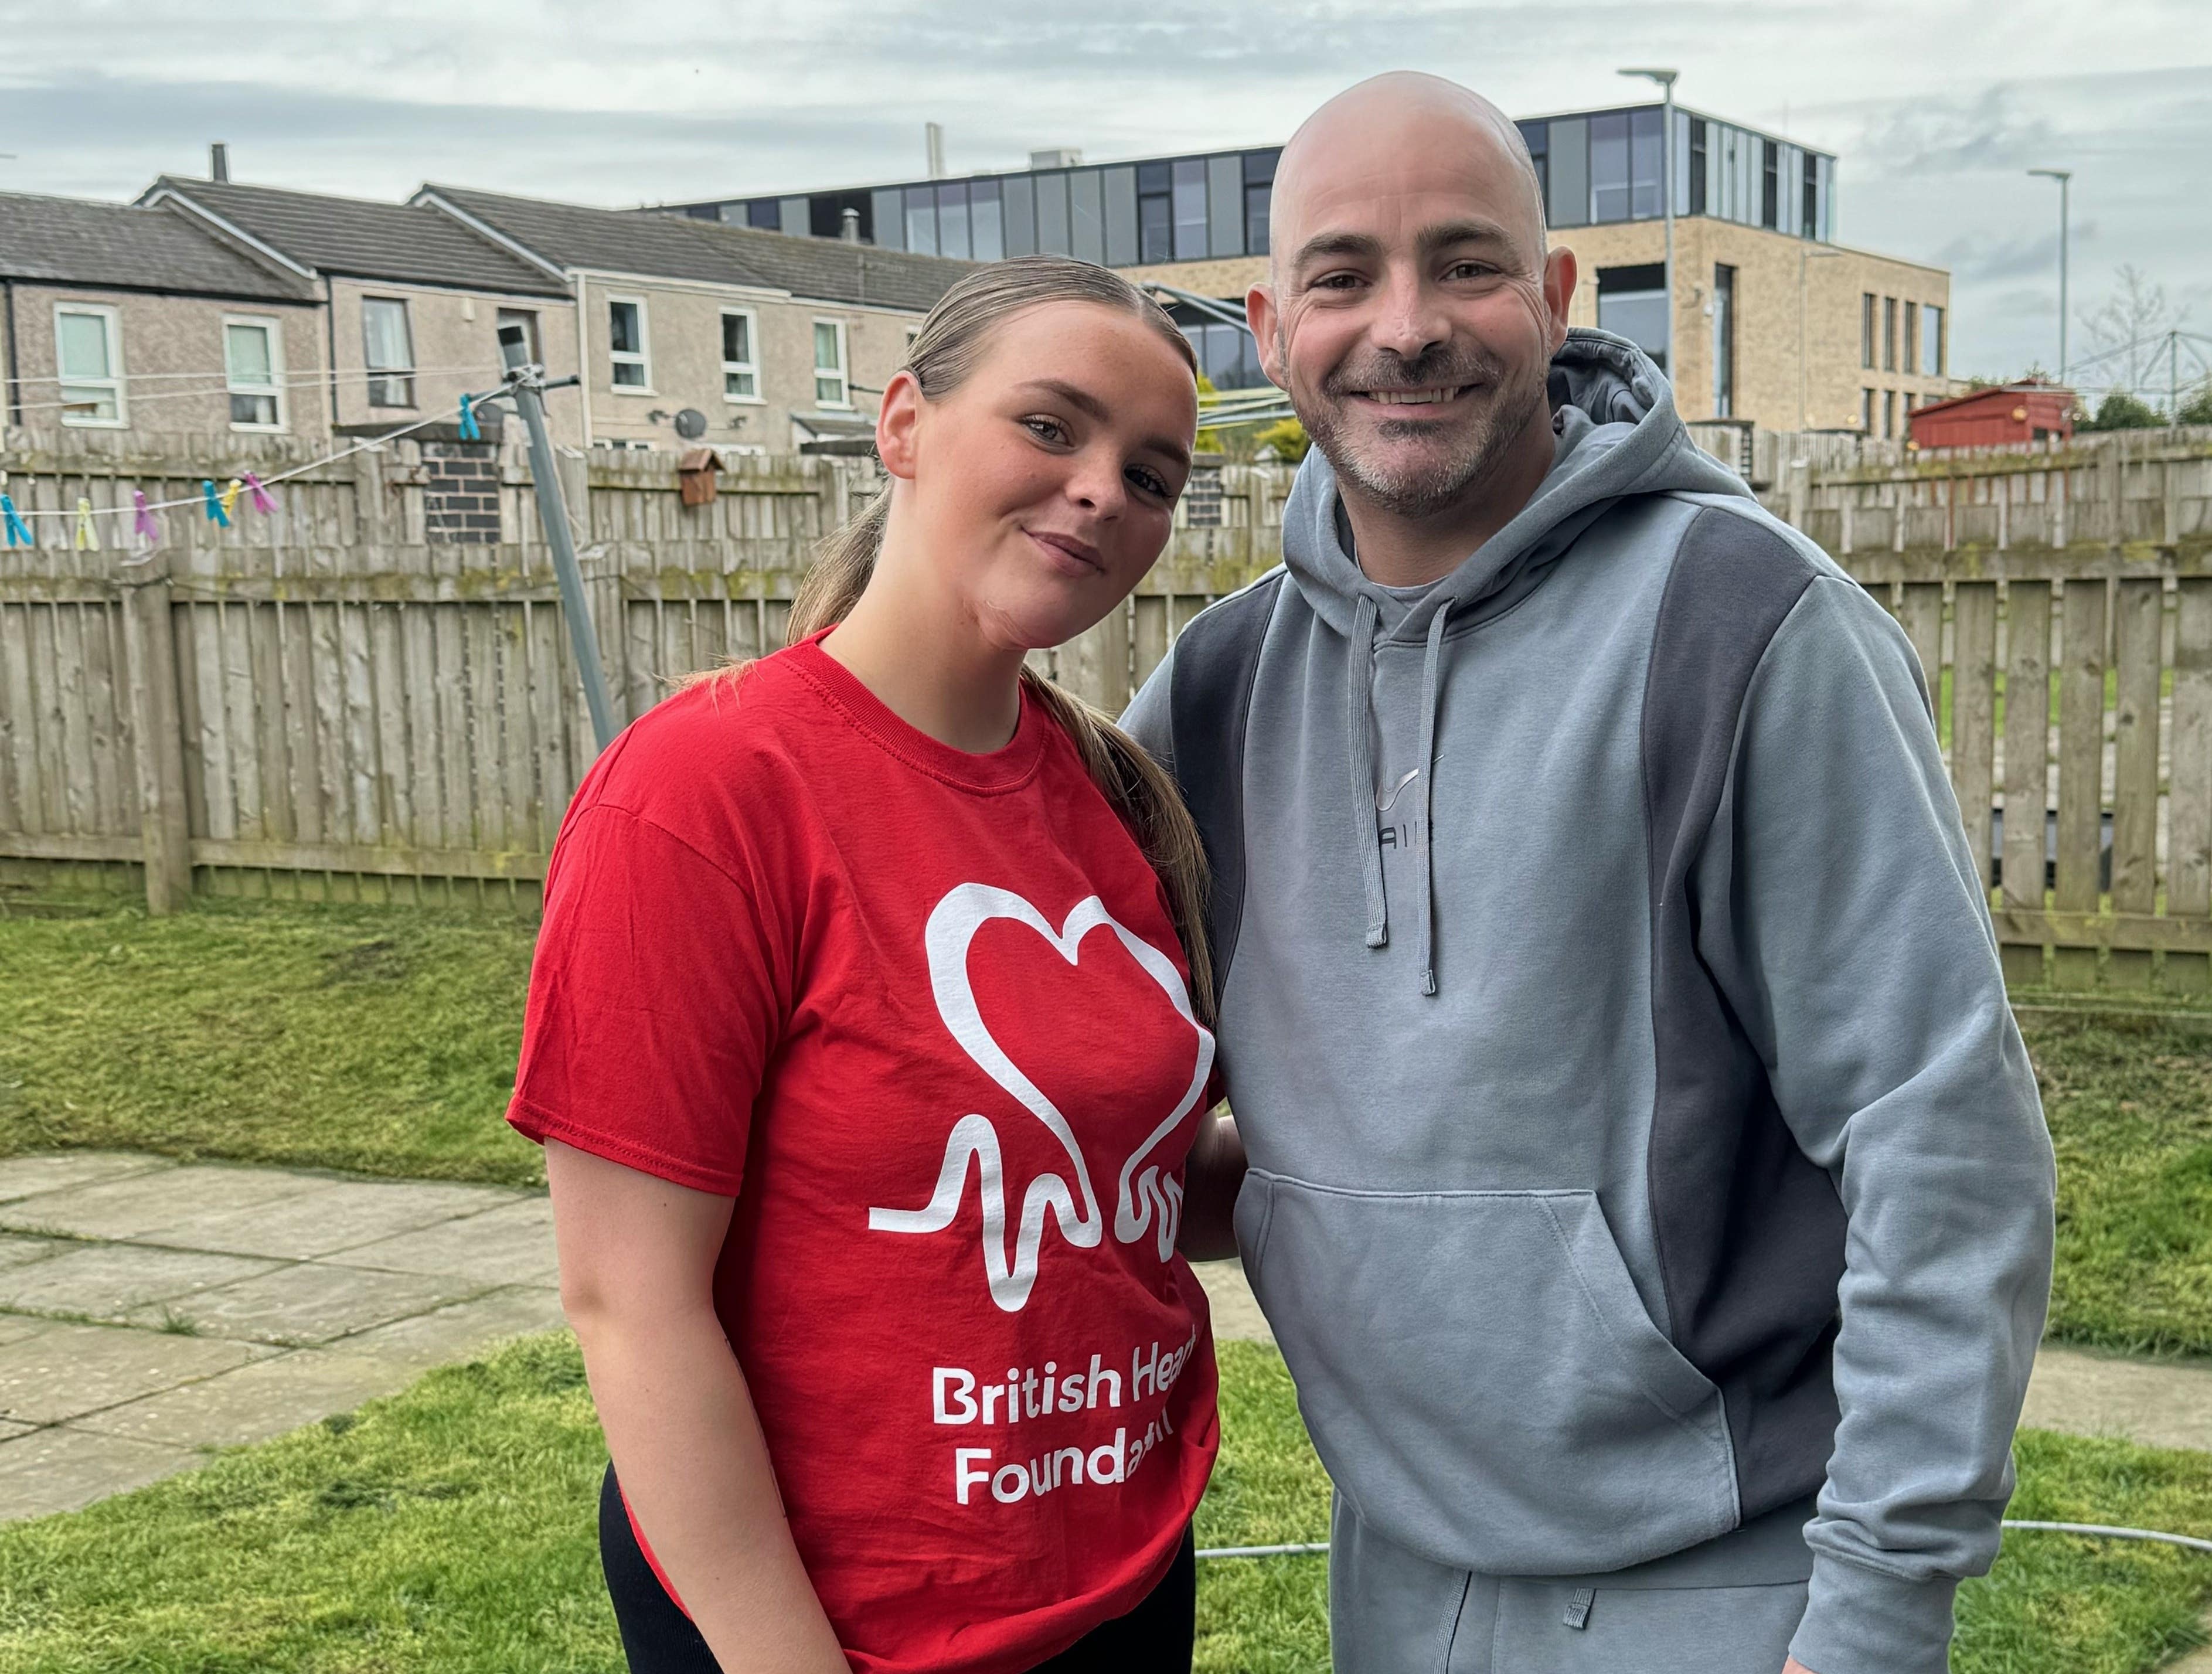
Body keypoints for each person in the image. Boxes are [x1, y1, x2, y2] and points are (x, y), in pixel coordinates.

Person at [1123, 73, 2056, 1674]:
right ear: (1270, 334)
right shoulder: (1216, 690)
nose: (1405, 325)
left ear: (1555, 300)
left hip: (1726, 1582)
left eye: (1465, 263)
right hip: (1397, 1570)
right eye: (1344, 275)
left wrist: (1878, 1610)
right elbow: (1039, 1069)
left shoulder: (1747, 629)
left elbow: (1941, 1149)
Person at [509, 256, 1240, 1674]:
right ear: (903, 421)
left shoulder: (1123, 802)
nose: (1103, 488)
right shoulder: (706, 793)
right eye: (1052, 426)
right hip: (838, 1617)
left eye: (1152, 475)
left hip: (1123, 1574)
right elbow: (630, 1302)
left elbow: (1126, 1198)